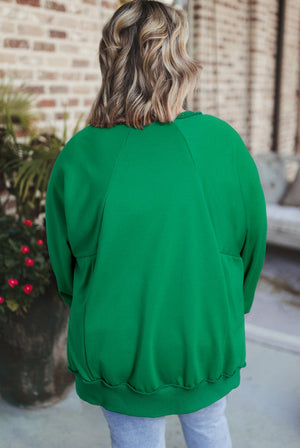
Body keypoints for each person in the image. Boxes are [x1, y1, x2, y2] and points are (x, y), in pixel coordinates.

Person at [45, 0, 268, 447]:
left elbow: (65, 266)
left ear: (111, 59)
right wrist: (228, 308)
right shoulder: (222, 143)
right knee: (208, 427)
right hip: (203, 336)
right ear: (178, 60)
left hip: (119, 347)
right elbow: (252, 246)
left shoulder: (80, 155)